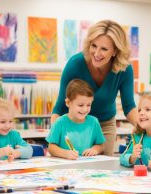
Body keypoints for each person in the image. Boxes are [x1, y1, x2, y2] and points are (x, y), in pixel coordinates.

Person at [51, 20, 138, 156]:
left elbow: (129, 106)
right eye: (94, 46)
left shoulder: (124, 68)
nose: (96, 53)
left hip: (104, 126)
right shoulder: (75, 64)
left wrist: (143, 127)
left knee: (102, 171)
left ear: (115, 51)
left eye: (104, 49)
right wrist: (55, 138)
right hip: (74, 125)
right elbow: (60, 106)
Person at [46, 79, 105, 160]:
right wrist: (65, 154)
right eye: (80, 105)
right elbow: (51, 147)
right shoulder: (59, 122)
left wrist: (94, 149)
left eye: (88, 105)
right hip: (65, 167)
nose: (85, 109)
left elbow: (101, 145)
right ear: (68, 103)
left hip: (87, 167)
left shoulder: (94, 122)